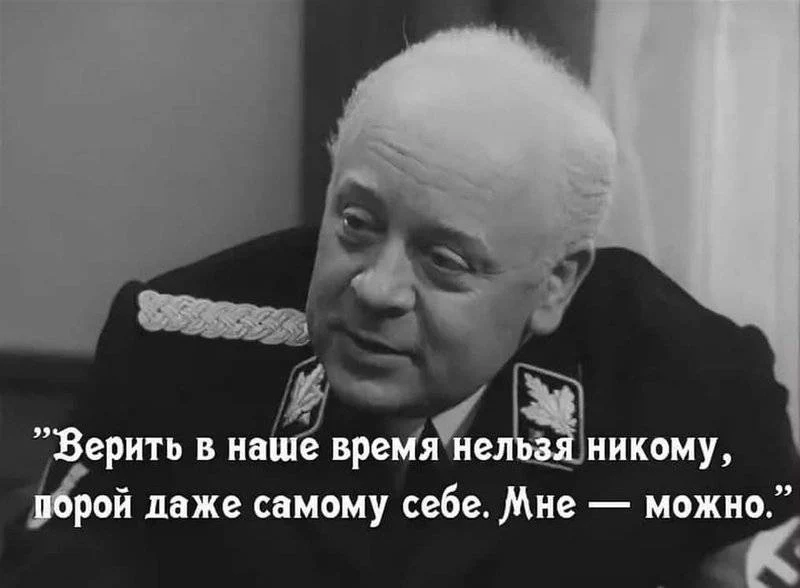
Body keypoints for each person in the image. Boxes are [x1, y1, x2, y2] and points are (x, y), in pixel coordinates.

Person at [2, 26, 798, 587]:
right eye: (357, 222)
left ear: (556, 284)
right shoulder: (179, 346)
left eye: (444, 260)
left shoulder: (685, 387)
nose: (375, 289)